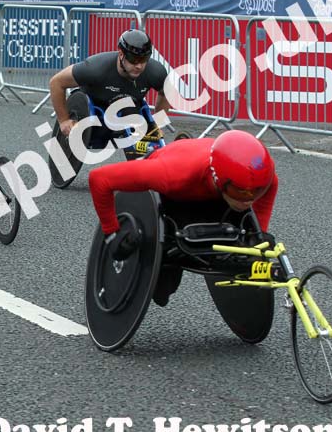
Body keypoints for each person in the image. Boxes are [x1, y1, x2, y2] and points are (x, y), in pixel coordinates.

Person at [88, 130, 279, 307]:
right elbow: (99, 179)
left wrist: (259, 235)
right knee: (162, 291)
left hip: (214, 193)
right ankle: (180, 145)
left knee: (249, 248)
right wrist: (112, 233)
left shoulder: (263, 179)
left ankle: (186, 144)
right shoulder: (170, 174)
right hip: (178, 190)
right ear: (218, 179)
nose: (249, 200)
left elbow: (268, 187)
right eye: (241, 192)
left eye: (257, 192)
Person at [49, 29, 171, 153]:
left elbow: (164, 92)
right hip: (94, 114)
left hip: (129, 111)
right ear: (121, 54)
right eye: (133, 59)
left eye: (144, 59)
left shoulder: (155, 72)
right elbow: (56, 82)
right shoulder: (94, 68)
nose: (139, 66)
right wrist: (63, 120)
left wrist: (158, 123)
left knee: (141, 127)